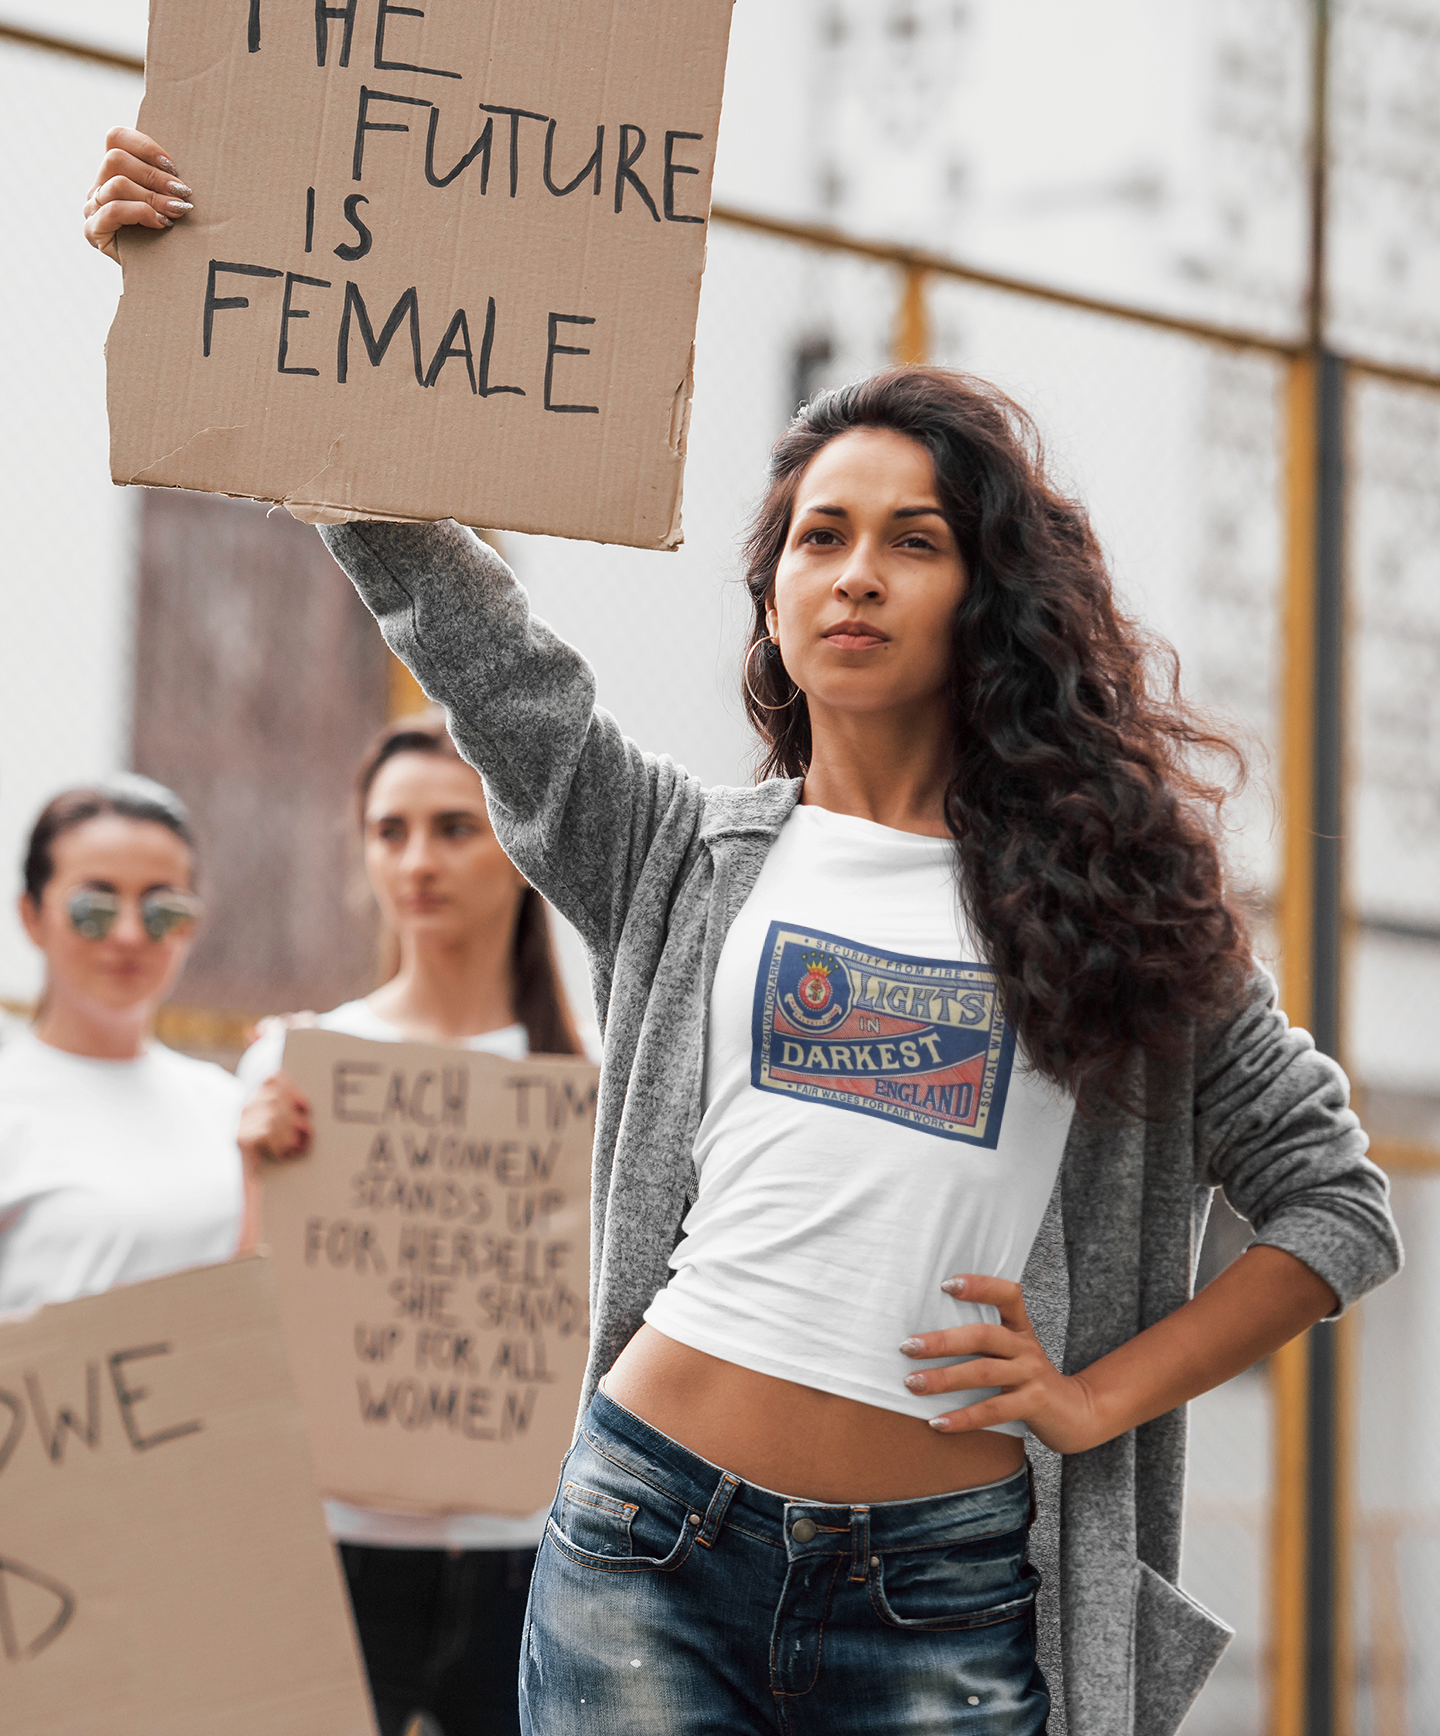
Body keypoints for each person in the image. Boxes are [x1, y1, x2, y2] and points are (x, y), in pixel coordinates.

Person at [89, 140, 1402, 1736]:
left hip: (953, 1588)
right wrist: (225, 282)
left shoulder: (1118, 906)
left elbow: (1334, 1200)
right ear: (772, 596)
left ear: (992, 595)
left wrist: (1092, 1397)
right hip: (646, 1541)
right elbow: (482, 645)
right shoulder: (673, 852)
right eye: (818, 539)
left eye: (913, 540)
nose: (856, 574)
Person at [236, 708, 584, 1736]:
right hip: (336, 1539)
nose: (417, 859)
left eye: (453, 826)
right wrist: (252, 1169)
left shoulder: (592, 1080)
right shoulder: (300, 1065)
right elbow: (250, 1318)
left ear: (519, 844)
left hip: (530, 1547)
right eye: (390, 830)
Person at [0, 778, 245, 1315]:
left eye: (163, 910)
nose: (131, 935)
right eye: (95, 907)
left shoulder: (232, 1109)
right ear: (31, 916)